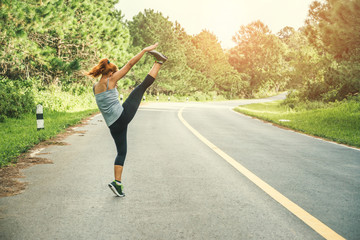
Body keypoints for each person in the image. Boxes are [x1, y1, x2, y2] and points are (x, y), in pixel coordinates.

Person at [86, 43, 167, 197]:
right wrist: (144, 50)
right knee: (141, 87)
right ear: (109, 72)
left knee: (121, 152)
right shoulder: (111, 80)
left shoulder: (95, 86)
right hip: (121, 118)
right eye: (113, 69)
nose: (116, 71)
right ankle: (159, 62)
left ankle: (118, 183)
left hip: (112, 125)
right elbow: (129, 64)